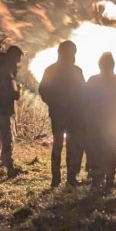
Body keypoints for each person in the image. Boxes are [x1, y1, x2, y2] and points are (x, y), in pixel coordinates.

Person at [38, 41, 86, 187]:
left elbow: (43, 91)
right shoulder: (74, 70)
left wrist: (53, 104)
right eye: (71, 53)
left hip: (64, 114)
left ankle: (59, 178)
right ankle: (66, 178)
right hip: (69, 114)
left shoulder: (53, 70)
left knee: (61, 145)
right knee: (68, 146)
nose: (72, 56)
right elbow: (44, 91)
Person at [84, 52, 116, 190]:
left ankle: (96, 179)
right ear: (113, 65)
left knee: (95, 150)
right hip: (112, 122)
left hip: (96, 123)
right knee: (110, 149)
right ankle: (109, 179)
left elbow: (85, 100)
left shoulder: (93, 80)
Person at [0, 46, 24, 178]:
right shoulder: (5, 73)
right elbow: (9, 94)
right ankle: (9, 167)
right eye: (18, 60)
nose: (18, 63)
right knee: (7, 138)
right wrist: (18, 91)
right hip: (3, 110)